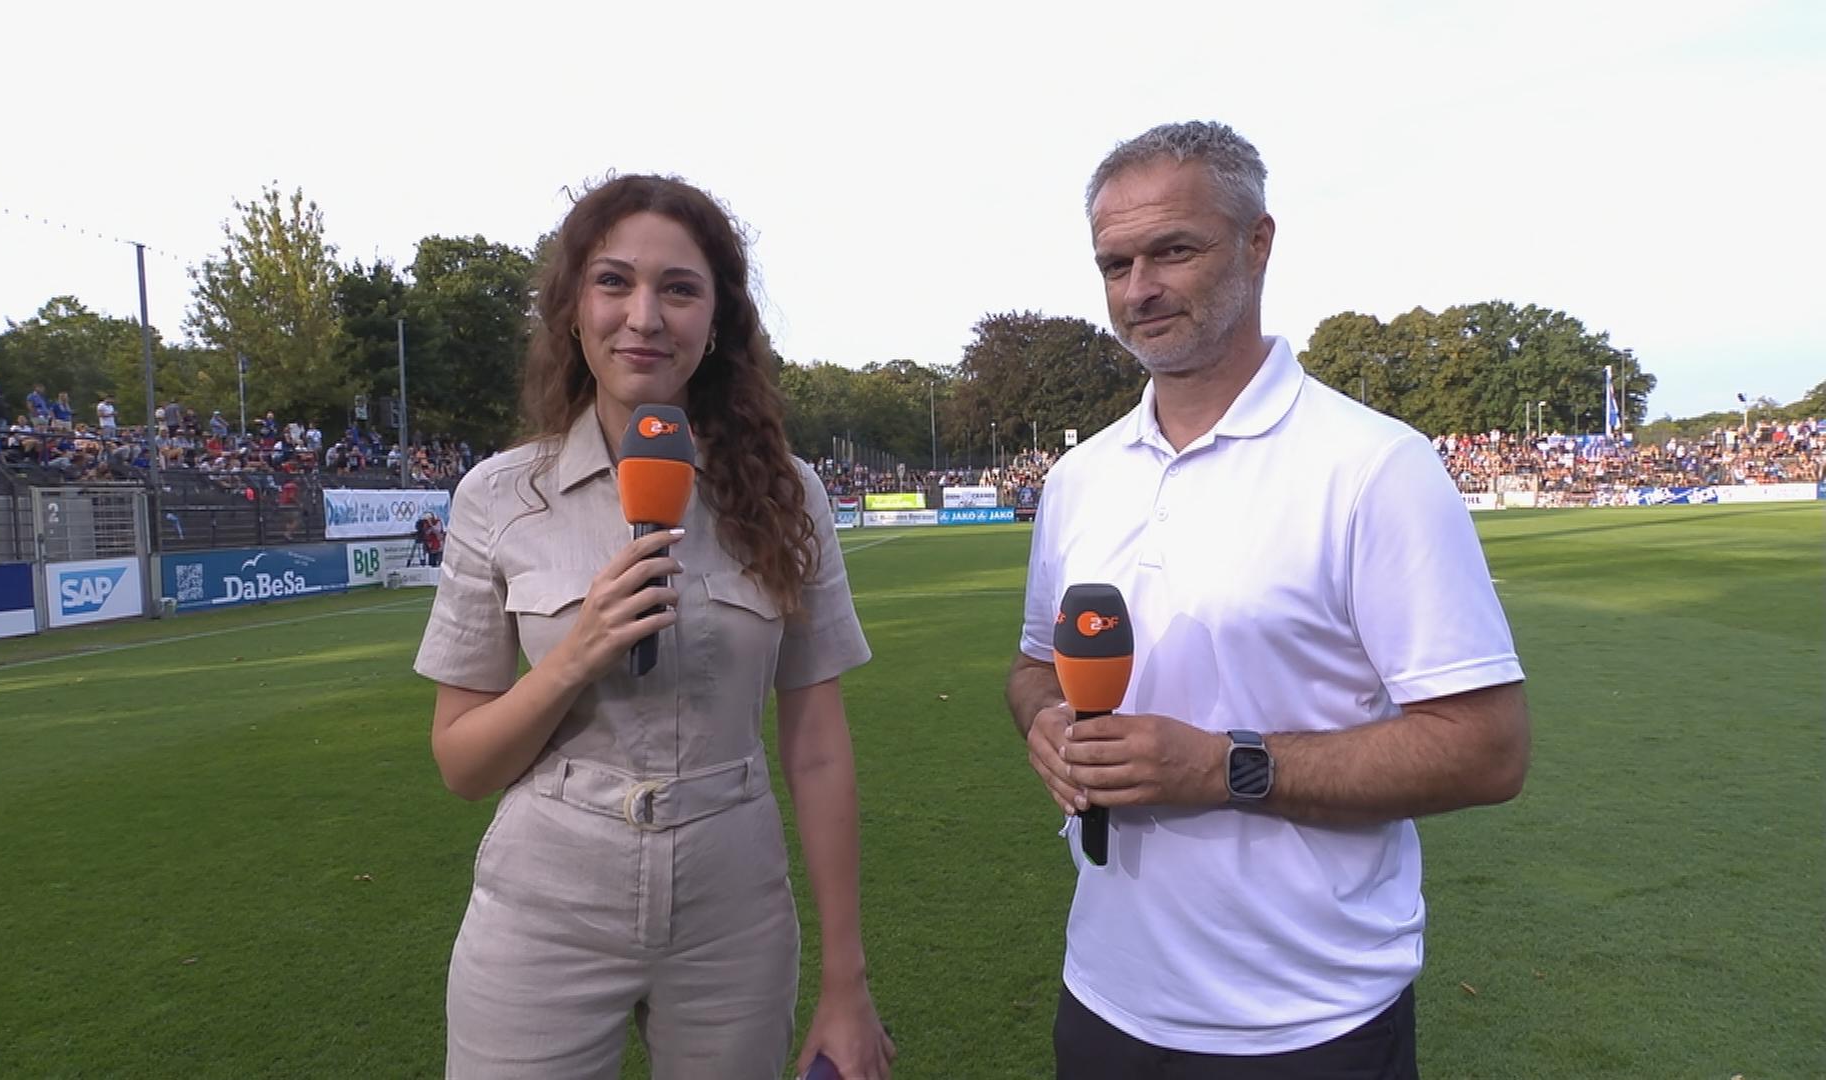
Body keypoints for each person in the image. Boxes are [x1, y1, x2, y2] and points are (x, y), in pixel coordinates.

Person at [1005, 121, 1530, 1079]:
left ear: (1258, 243)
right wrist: (1043, 720)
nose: (1138, 289)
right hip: (1105, 999)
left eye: (1174, 250)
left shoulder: (1375, 468)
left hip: (1308, 1024)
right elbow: (1037, 665)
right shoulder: (1080, 479)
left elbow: (1487, 749)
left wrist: (1223, 767)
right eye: (1114, 262)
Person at [414, 174, 895, 1080]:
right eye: (614, 282)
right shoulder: (497, 497)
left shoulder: (790, 496)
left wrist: (846, 981)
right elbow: (461, 764)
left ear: (716, 323)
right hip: (542, 912)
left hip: (734, 913)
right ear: (571, 310)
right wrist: (575, 657)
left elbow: (819, 747)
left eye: (679, 289)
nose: (644, 315)